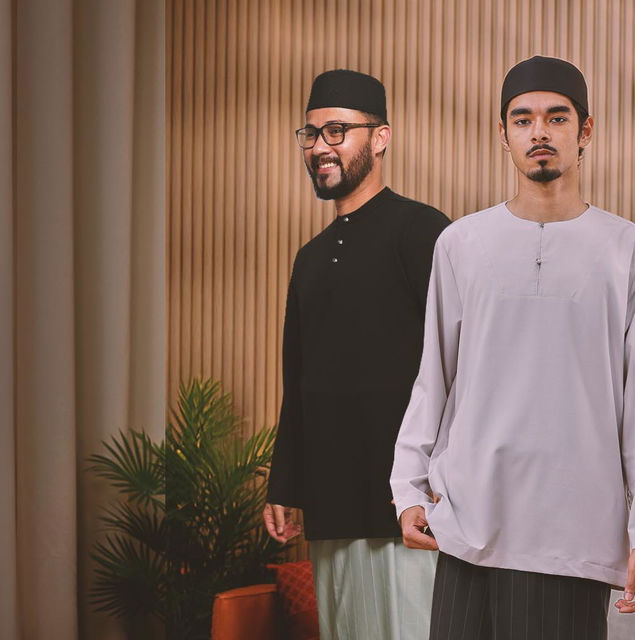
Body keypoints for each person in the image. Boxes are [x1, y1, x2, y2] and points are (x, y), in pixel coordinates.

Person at [389, 56, 635, 640]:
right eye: (522, 120)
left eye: (557, 117)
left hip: (572, 530)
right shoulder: (460, 243)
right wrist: (407, 487)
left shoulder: (629, 250)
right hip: (468, 519)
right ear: (504, 134)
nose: (539, 132)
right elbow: (434, 377)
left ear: (586, 130)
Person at [263, 68, 450, 640]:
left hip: (408, 500)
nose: (320, 147)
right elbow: (299, 377)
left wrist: (446, 474)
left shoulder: (423, 231)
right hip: (332, 497)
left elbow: (461, 361)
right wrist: (284, 484)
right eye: (311, 134)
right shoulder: (310, 257)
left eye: (337, 131)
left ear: (381, 137)